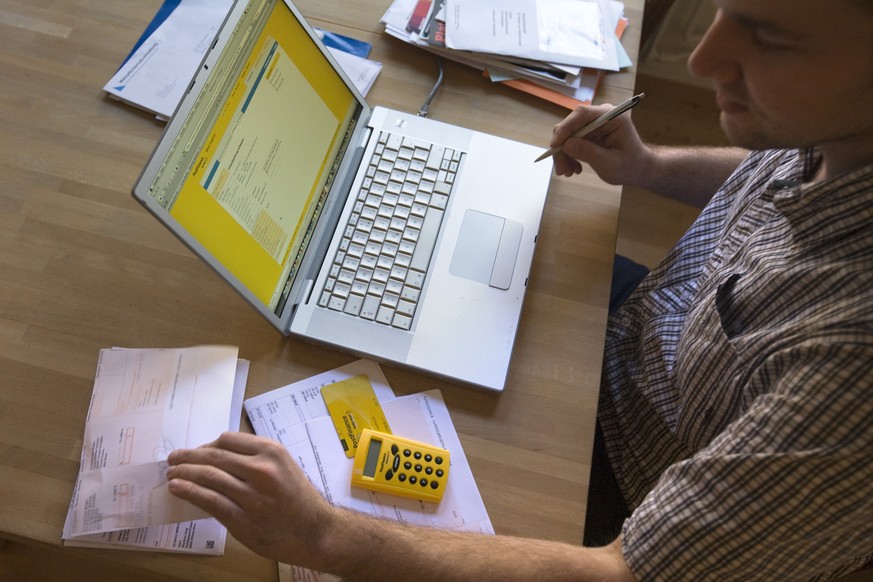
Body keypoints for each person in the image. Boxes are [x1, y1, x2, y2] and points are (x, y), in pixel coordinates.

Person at [166, 0, 873, 579]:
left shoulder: (849, 372)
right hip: (646, 329)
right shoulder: (838, 131)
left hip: (632, 485)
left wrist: (324, 536)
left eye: (771, 38)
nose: (701, 59)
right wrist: (649, 166)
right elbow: (783, 166)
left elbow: (627, 574)